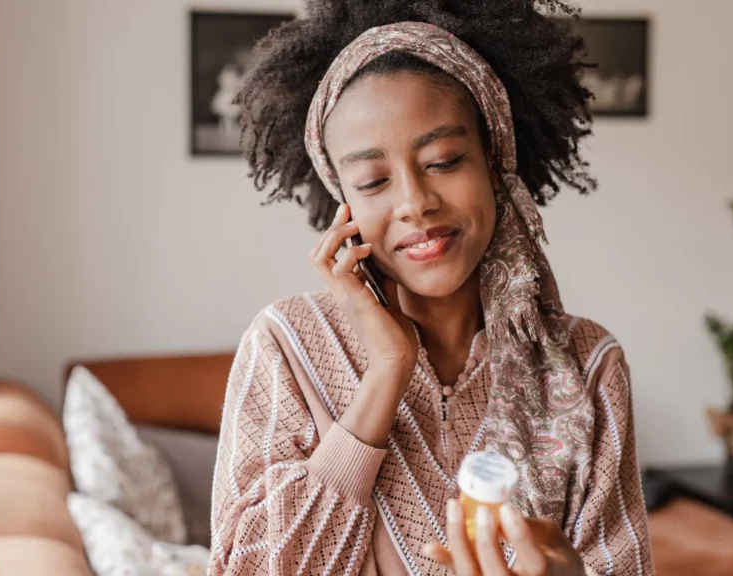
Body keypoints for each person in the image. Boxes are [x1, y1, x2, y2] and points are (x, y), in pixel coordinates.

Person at [208, 1, 653, 575]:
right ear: (343, 203)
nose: (415, 202)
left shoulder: (589, 365)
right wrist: (386, 371)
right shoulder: (284, 347)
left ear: (495, 164)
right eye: (372, 181)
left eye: (443, 160)